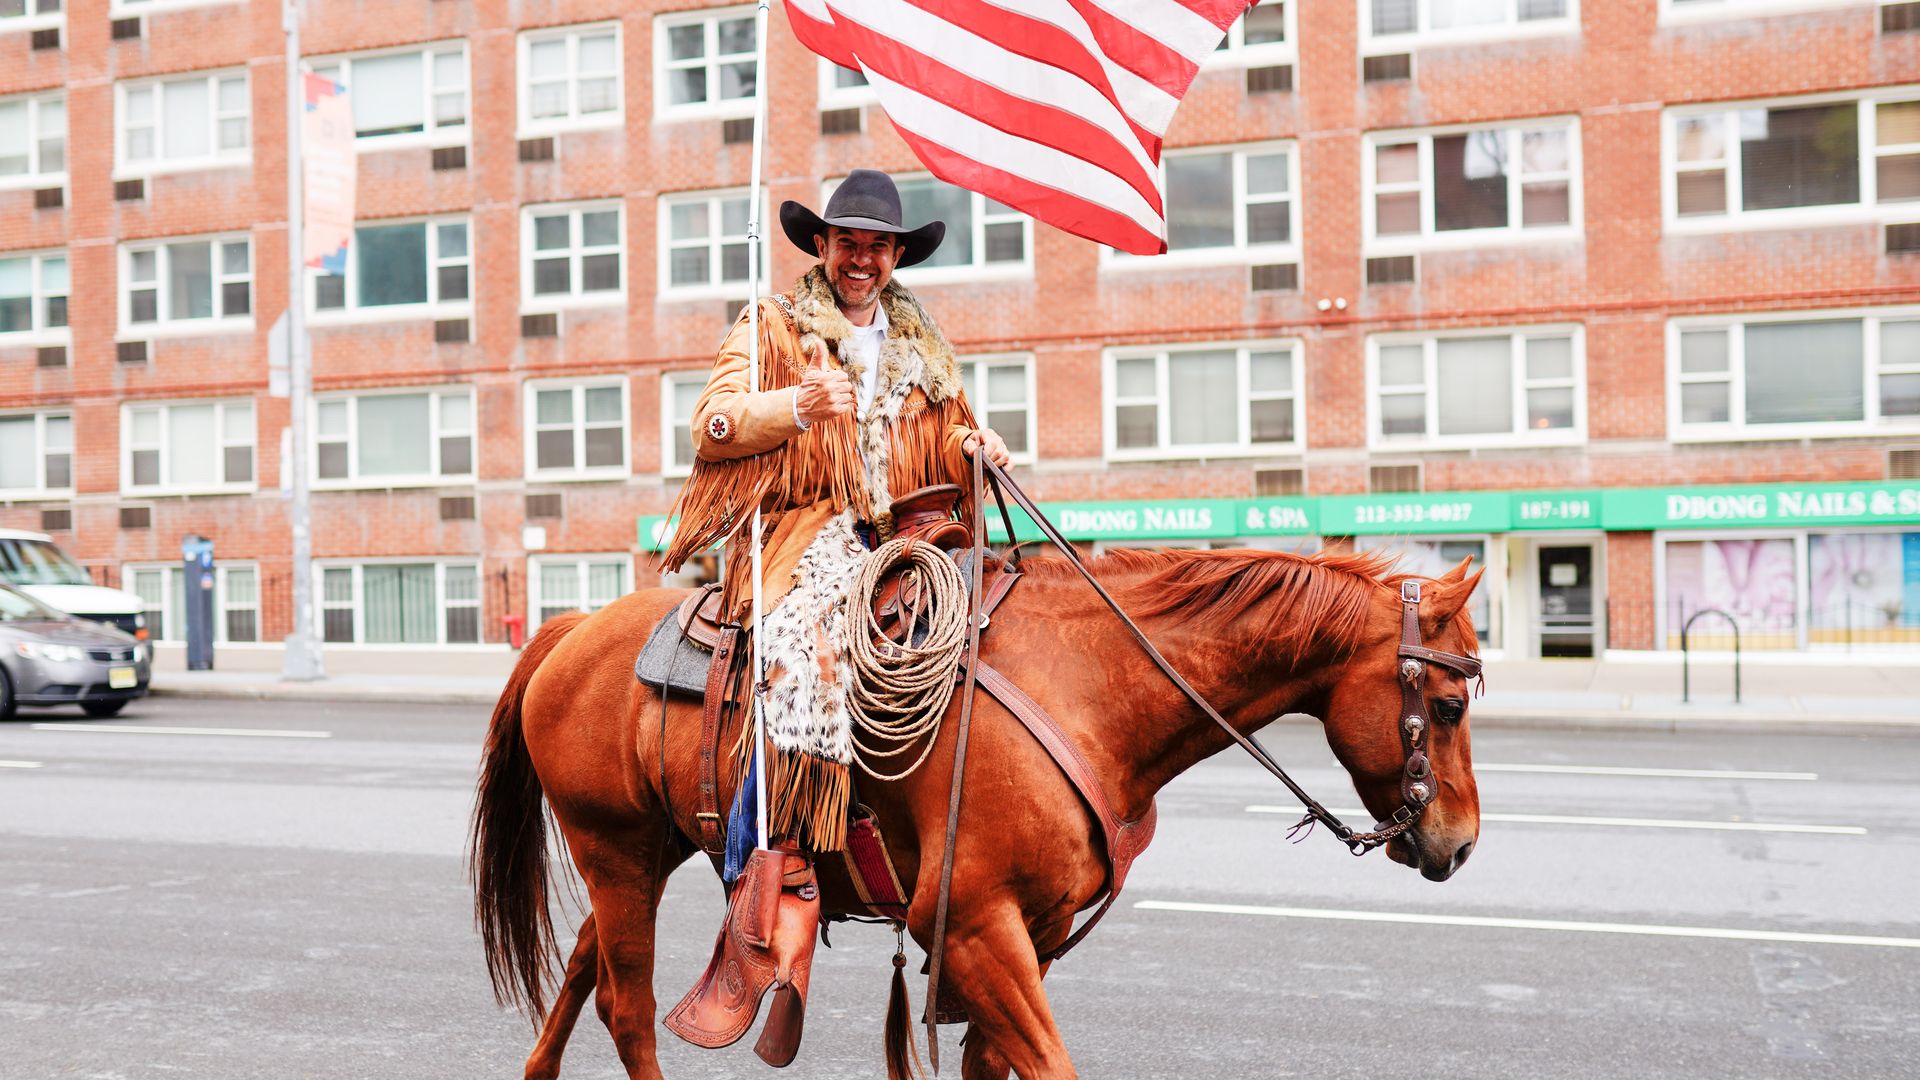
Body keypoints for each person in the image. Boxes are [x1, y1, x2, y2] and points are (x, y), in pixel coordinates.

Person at [661, 168, 1011, 861]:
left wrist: (973, 444)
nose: (861, 259)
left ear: (897, 256)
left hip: (908, 539)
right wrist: (796, 408)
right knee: (802, 663)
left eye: (877, 247)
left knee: (984, 631)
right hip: (803, 538)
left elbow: (941, 437)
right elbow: (713, 424)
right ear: (821, 245)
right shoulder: (775, 327)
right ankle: (764, 854)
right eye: (847, 242)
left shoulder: (925, 350)